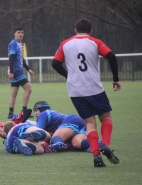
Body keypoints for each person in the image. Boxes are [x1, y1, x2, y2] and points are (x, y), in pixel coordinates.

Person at [52, 18, 121, 167]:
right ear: (91, 31)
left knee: (90, 123)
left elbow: (55, 63)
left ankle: (95, 155)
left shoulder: (65, 44)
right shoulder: (95, 42)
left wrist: (68, 75)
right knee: (105, 117)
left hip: (75, 90)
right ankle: (106, 144)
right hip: (93, 87)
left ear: (75, 30)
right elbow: (111, 56)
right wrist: (116, 79)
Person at [32, 101, 100, 152]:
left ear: (42, 109)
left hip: (71, 120)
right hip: (80, 122)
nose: (35, 113)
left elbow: (38, 132)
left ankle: (58, 143)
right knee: (76, 143)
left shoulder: (43, 114)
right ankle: (97, 143)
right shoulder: (52, 114)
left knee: (55, 139)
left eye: (36, 110)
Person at [7, 27, 34, 119]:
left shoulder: (19, 44)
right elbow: (11, 57)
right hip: (16, 71)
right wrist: (11, 71)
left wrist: (28, 69)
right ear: (14, 34)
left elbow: (21, 59)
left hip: (16, 70)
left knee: (14, 92)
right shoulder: (14, 43)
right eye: (18, 32)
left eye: (22, 33)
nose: (20, 34)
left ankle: (10, 113)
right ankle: (24, 111)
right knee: (28, 89)